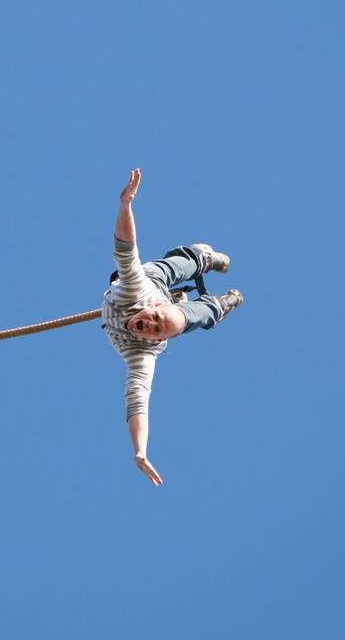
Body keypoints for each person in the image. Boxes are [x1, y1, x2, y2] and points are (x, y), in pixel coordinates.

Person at [103, 169, 242, 485]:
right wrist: (125, 205)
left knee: (188, 294)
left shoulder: (143, 333)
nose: (148, 325)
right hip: (151, 283)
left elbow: (137, 398)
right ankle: (211, 278)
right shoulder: (134, 300)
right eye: (154, 324)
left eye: (154, 328)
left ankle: (210, 282)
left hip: (163, 295)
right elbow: (125, 251)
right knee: (185, 288)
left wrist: (139, 451)